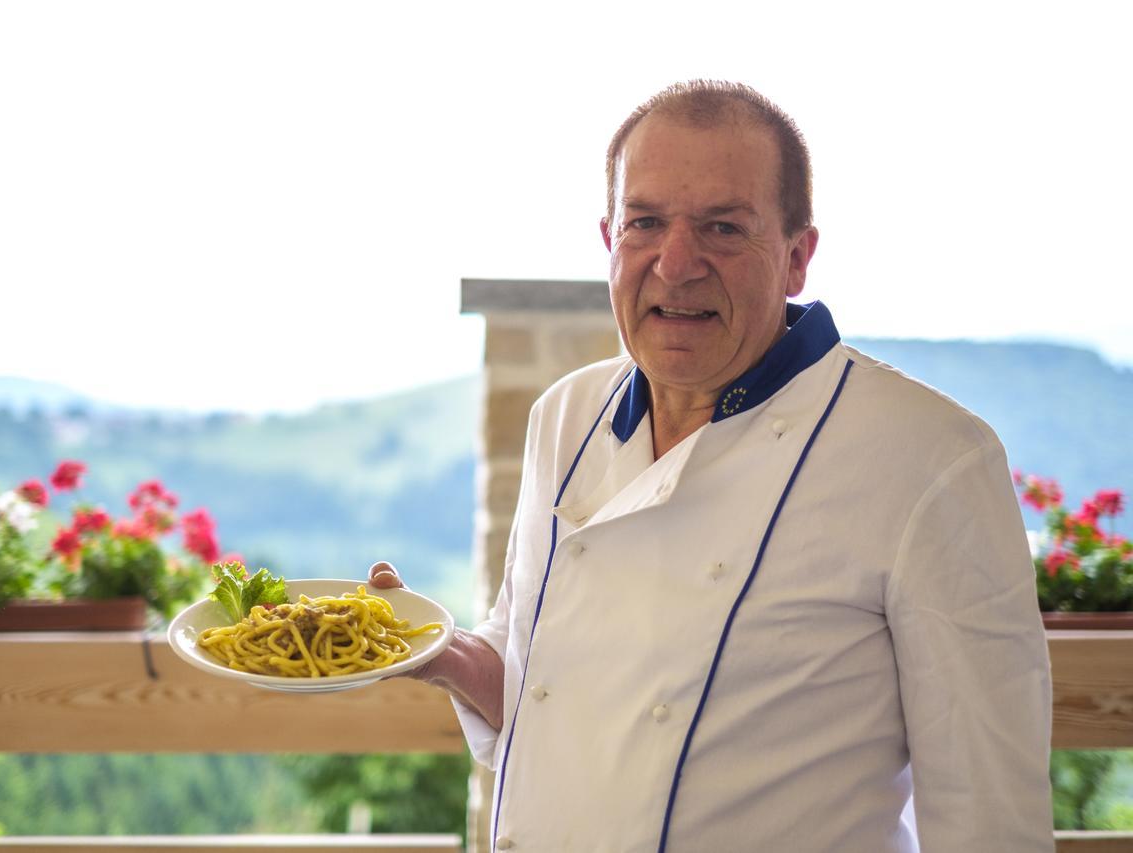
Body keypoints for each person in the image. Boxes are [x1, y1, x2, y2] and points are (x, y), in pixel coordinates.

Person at [370, 80, 1054, 852]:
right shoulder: (563, 417)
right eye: (646, 222)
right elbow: (548, 695)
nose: (677, 261)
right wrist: (450, 653)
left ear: (798, 257)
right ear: (609, 240)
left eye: (723, 228)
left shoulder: (931, 457)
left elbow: (991, 816)